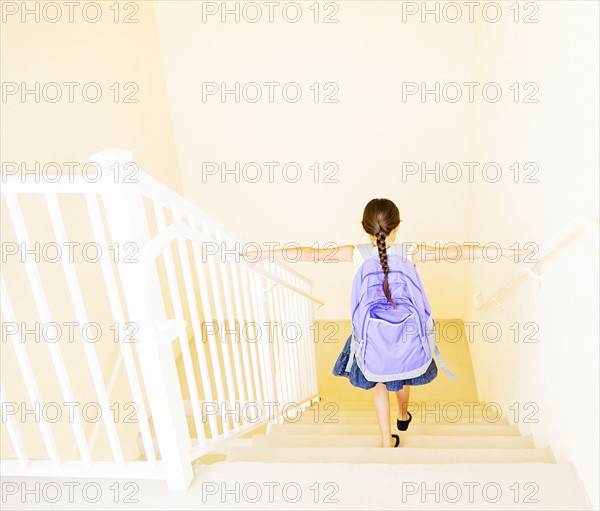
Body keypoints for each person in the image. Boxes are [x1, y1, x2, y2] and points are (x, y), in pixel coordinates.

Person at [241, 198, 528, 447]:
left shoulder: (354, 253)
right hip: (407, 333)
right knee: (403, 371)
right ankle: (403, 414)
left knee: (379, 381)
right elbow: (459, 251)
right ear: (398, 225)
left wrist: (263, 254)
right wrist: (506, 252)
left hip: (371, 335)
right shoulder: (413, 251)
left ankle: (385, 440)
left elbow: (308, 253)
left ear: (364, 226)